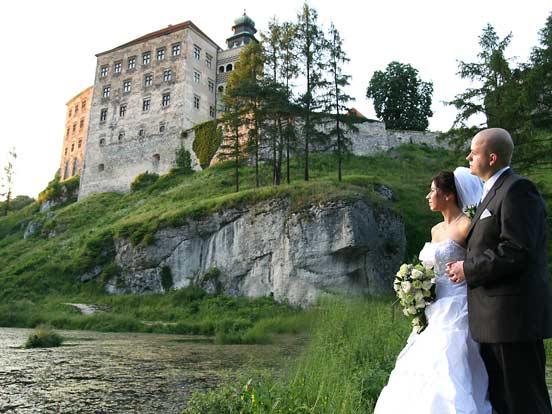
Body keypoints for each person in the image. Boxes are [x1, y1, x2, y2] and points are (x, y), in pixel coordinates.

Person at [446, 128, 552, 414]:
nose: (468, 156)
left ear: (492, 157)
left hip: (512, 318)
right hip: (494, 320)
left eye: (474, 152)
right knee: (503, 401)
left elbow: (516, 250)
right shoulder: (492, 192)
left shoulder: (518, 189)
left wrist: (468, 268)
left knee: (525, 401)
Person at [374, 168, 492, 414]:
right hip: (434, 306)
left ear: (448, 195)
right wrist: (416, 288)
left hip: (458, 304)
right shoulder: (436, 230)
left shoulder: (467, 227)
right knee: (422, 362)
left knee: (449, 356)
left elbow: (478, 264)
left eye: (432, 190)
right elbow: (430, 269)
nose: (428, 196)